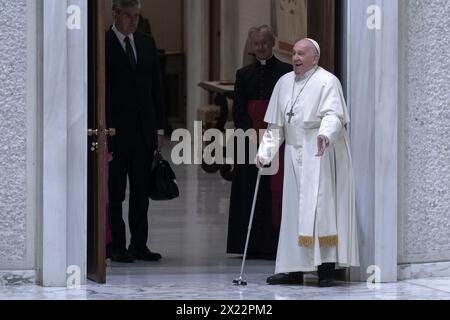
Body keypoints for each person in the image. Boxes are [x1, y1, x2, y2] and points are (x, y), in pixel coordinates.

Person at [256, 38, 359, 287]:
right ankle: (293, 269)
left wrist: (325, 134)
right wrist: (265, 152)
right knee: (292, 212)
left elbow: (334, 115)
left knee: (321, 210)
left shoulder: (327, 81)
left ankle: (325, 270)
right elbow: (276, 125)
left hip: (318, 152)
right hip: (293, 152)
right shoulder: (283, 83)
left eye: (302, 54)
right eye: (293, 53)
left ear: (315, 57)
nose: (296, 58)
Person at [106, 0, 165, 263]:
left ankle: (139, 243)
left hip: (143, 131)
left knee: (140, 190)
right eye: (127, 16)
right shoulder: (103, 44)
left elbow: (156, 87)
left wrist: (160, 128)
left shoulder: (145, 43)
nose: (133, 21)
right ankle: (116, 245)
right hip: (115, 132)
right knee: (116, 191)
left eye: (136, 16)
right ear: (115, 15)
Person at [227, 25, 292, 260]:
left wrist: (274, 133)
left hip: (278, 140)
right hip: (250, 141)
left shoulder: (286, 73)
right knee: (248, 190)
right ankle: (250, 244)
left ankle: (274, 244)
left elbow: (287, 106)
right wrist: (253, 134)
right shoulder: (243, 75)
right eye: (256, 44)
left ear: (272, 43)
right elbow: (239, 109)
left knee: (274, 191)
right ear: (251, 46)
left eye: (264, 42)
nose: (261, 47)